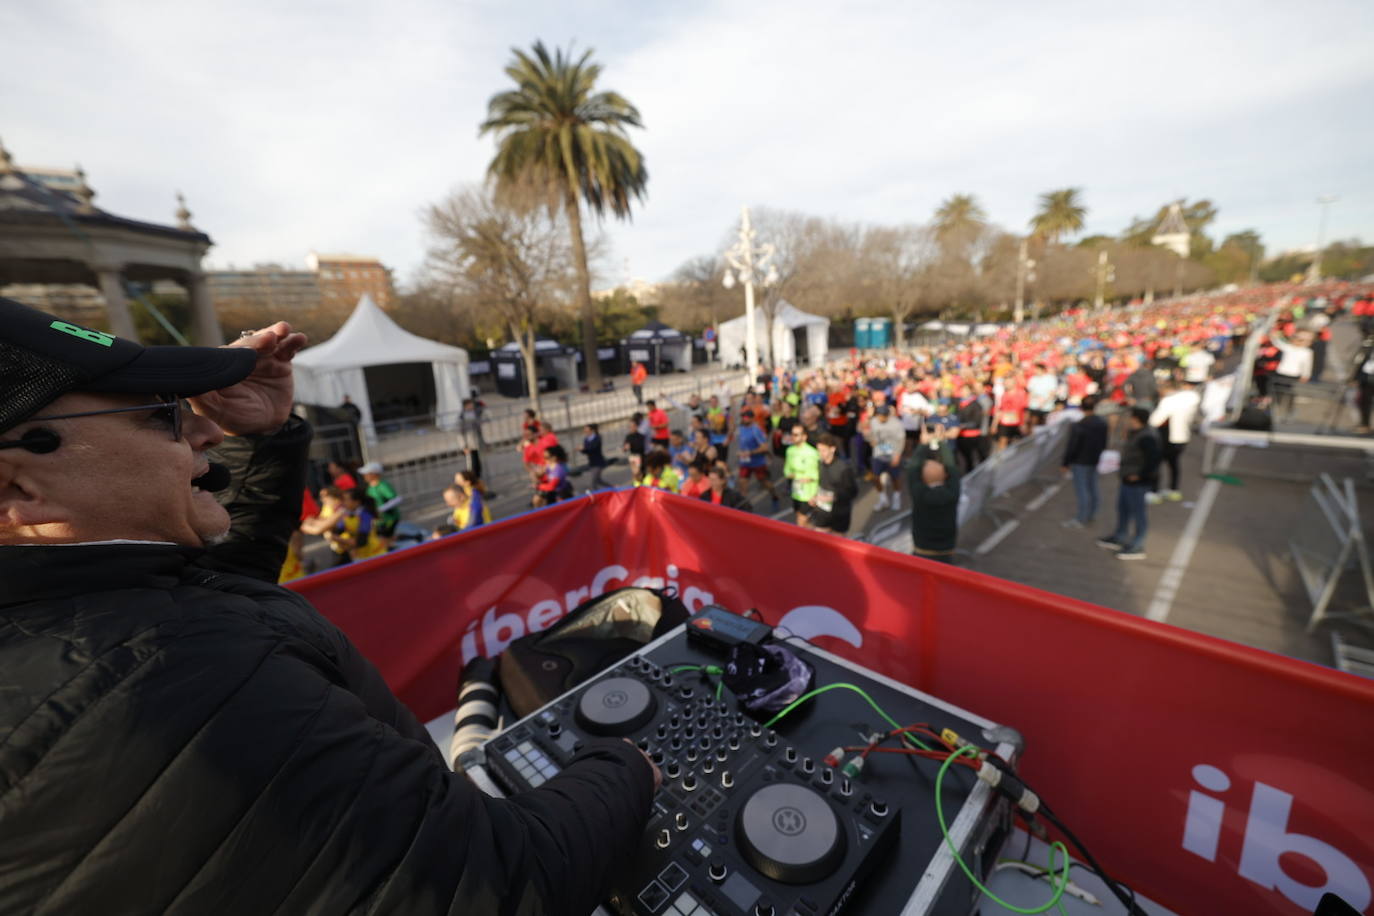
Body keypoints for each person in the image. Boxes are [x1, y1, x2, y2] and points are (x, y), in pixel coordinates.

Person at [0, 297, 659, 914]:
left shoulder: (81, 614)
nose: (204, 431)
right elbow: (505, 882)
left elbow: (207, 593)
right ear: (21, 486)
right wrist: (628, 765)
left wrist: (274, 438)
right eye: (161, 414)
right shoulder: (182, 687)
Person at [1097, 407, 1162, 561]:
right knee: (1123, 510)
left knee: (1138, 514)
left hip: (1137, 483)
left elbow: (1154, 459)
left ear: (1136, 419)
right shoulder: (1141, 433)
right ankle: (1120, 536)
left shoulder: (1146, 437)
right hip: (1128, 480)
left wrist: (1139, 476)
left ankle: (1137, 545)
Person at [906, 424, 961, 564]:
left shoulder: (920, 494)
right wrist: (941, 442)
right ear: (945, 476)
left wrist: (923, 444)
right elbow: (952, 467)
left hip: (922, 549)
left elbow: (912, 470)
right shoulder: (952, 494)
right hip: (947, 550)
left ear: (923, 479)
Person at [1148, 379, 1201, 502]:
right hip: (1182, 437)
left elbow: (1155, 421)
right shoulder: (1192, 398)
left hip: (1166, 438)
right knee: (1174, 464)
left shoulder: (1169, 401)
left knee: (1156, 464)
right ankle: (1173, 489)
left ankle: (1154, 492)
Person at [1061, 395, 1108, 528]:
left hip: (1081, 461)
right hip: (1094, 460)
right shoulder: (1101, 423)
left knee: (1082, 490)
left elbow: (1072, 446)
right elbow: (1104, 443)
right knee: (1092, 487)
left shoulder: (1080, 425)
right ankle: (1092, 514)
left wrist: (1065, 463)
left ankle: (1081, 517)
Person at [811, 432, 858, 535]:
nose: (820, 453)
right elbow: (822, 484)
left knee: (837, 544)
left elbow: (853, 491)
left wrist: (833, 497)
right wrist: (815, 497)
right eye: (818, 450)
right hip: (822, 511)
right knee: (819, 541)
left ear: (832, 449)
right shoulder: (820, 464)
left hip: (840, 512)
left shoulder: (844, 468)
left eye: (823, 450)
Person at [735, 407, 779, 506]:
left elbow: (764, 447)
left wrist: (750, 452)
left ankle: (774, 495)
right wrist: (741, 453)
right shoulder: (741, 428)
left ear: (752, 418)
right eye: (743, 417)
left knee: (764, 482)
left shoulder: (756, 430)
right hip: (745, 462)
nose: (744, 419)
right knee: (742, 483)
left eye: (746, 417)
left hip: (757, 462)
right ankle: (744, 507)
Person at [866, 404, 906, 511]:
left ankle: (897, 498)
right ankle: (883, 499)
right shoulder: (874, 421)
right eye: (878, 415)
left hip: (893, 453)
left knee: (895, 478)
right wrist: (871, 440)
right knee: (875, 477)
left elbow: (901, 440)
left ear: (888, 415)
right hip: (878, 453)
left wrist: (897, 455)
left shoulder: (896, 424)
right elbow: (872, 435)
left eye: (882, 415)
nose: (880, 417)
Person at [783, 423, 820, 527]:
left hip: (809, 493)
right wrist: (795, 475)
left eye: (796, 435)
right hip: (796, 492)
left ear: (804, 437)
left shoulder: (812, 453)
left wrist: (797, 475)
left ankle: (801, 540)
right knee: (800, 516)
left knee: (801, 520)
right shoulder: (790, 450)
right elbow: (786, 470)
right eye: (792, 434)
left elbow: (815, 474)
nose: (793, 437)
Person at [359, 461, 402, 544]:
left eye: (367, 473)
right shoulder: (370, 487)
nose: (364, 476)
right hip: (379, 521)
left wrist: (381, 509)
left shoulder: (382, 486)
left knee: (386, 540)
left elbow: (397, 499)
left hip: (389, 519)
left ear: (374, 474)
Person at [581, 422, 608, 491]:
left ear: (592, 430)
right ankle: (613, 489)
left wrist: (585, 448)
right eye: (585, 430)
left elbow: (593, 448)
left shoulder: (597, 438)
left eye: (587, 430)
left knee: (593, 483)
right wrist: (582, 450)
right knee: (598, 480)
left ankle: (597, 497)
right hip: (592, 463)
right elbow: (587, 451)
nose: (585, 432)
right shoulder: (586, 439)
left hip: (598, 462)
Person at [622, 413, 647, 479]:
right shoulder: (628, 436)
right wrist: (625, 448)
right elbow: (624, 447)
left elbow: (641, 447)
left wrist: (631, 445)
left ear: (636, 426)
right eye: (630, 427)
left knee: (642, 474)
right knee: (635, 475)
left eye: (632, 426)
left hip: (641, 456)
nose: (631, 428)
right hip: (633, 457)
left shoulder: (641, 436)